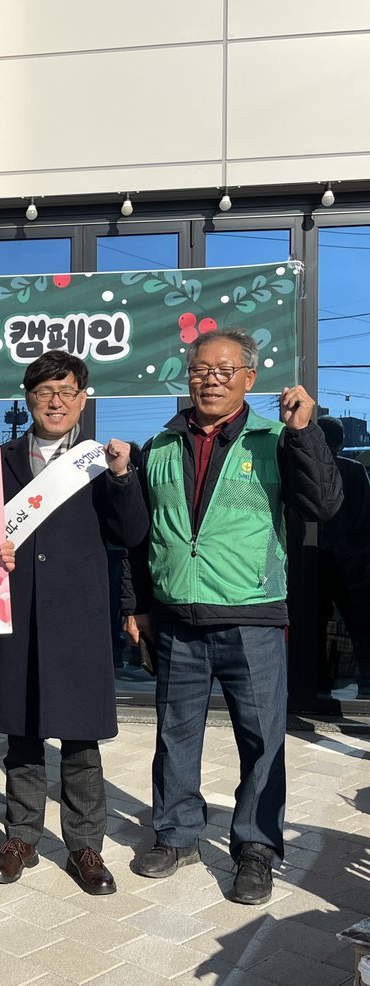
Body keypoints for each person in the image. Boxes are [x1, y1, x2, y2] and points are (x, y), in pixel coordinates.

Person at [126, 330, 342, 906]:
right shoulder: (161, 444)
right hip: (176, 617)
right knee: (175, 735)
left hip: (252, 617)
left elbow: (323, 505)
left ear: (249, 377)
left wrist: (305, 433)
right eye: (201, 369)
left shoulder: (276, 439)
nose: (210, 380)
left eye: (224, 370)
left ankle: (256, 848)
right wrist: (138, 605)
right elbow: (143, 537)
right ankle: (176, 835)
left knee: (262, 740)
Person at [0, 351, 148, 895]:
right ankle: (21, 837)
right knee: (22, 734)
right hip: (17, 612)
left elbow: (132, 533)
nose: (56, 401)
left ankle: (85, 845)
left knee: (80, 740)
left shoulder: (99, 462)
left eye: (67, 391)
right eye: (44, 392)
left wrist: (121, 477)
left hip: (78, 616)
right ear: (28, 399)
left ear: (82, 399)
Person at [315, 416, 370, 698]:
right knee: (359, 626)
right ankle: (367, 684)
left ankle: (318, 683)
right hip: (350, 562)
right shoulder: (355, 470)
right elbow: (365, 518)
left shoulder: (307, 470)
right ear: (340, 442)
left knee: (314, 626)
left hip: (313, 561)